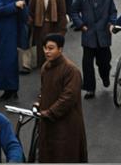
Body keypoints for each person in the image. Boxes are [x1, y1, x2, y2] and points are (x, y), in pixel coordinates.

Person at [35, 34, 87, 163]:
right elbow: (44, 90)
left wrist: (50, 112)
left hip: (66, 124)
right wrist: (39, 103)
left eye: (51, 48)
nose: (47, 51)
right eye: (45, 48)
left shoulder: (71, 70)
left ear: (60, 49)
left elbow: (68, 97)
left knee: (65, 155)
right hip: (48, 121)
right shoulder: (45, 68)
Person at [69, 0, 116, 98]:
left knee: (104, 62)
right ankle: (90, 88)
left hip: (103, 34)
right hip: (88, 34)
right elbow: (73, 12)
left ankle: (105, 76)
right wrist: (81, 25)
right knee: (87, 64)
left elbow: (113, 12)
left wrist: (111, 23)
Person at [28, 0, 67, 67]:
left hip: (54, 27)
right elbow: (30, 12)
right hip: (39, 27)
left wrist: (62, 31)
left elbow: (62, 14)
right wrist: (31, 25)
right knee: (41, 50)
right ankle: (42, 67)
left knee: (53, 49)